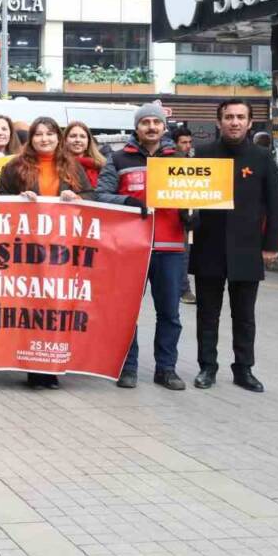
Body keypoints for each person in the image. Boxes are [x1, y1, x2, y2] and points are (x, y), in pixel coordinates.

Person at [0, 116, 93, 389]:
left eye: (50, 134)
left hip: (62, 251)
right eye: (39, 134)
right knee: (32, 306)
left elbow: (91, 198)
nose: (44, 139)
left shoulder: (71, 166)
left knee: (55, 307)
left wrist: (77, 198)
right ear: (31, 139)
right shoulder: (15, 166)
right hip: (27, 250)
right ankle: (32, 367)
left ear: (58, 138)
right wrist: (18, 200)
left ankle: (50, 367)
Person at [190, 99, 278, 393]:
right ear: (219, 122)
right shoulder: (202, 155)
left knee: (244, 315)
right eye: (228, 117)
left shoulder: (262, 157)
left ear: (249, 122)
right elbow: (186, 197)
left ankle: (244, 369)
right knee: (207, 313)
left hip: (247, 248)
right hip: (209, 246)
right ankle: (207, 367)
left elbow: (275, 205)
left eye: (240, 117)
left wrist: (271, 246)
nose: (234, 122)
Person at [95, 104, 187, 392]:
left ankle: (166, 369)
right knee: (127, 311)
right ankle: (128, 367)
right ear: (137, 127)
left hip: (170, 247)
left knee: (170, 312)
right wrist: (128, 203)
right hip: (130, 248)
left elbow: (197, 196)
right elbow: (101, 195)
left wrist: (193, 213)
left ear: (163, 127)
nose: (151, 127)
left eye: (155, 122)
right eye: (145, 122)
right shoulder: (118, 158)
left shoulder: (182, 159)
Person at [172, 126, 198, 304]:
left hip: (189, 213)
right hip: (177, 216)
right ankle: (183, 289)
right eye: (183, 143)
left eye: (189, 142)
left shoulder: (191, 160)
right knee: (182, 254)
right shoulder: (174, 161)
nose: (187, 146)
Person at [64, 120, 104, 188]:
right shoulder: (58, 165)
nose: (78, 140)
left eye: (82, 136)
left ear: (88, 141)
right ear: (65, 140)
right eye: (73, 136)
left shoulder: (102, 166)